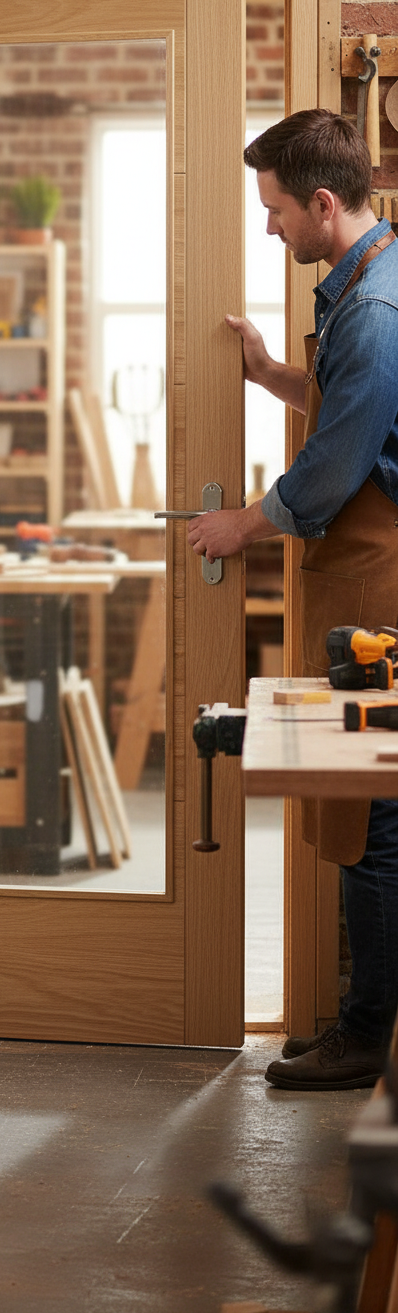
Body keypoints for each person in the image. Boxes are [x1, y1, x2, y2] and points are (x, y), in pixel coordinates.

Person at [187, 108, 398, 1092]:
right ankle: (361, 1026)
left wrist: (237, 525)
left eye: (274, 211)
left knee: (376, 818)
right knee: (370, 812)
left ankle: (364, 1039)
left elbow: (333, 471)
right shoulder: (362, 284)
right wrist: (273, 374)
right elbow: (359, 403)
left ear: (321, 203)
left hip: (379, 574)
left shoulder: (375, 310)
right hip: (361, 568)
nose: (268, 228)